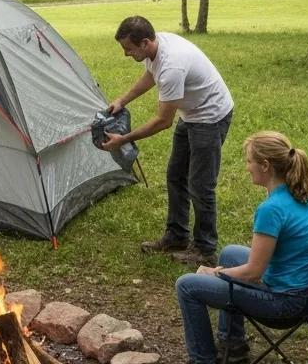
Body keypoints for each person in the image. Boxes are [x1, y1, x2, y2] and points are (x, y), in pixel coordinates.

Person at [162, 131, 308, 364]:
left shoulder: (272, 210)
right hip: (307, 290)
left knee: (187, 285)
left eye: (249, 161)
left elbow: (253, 274)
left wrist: (214, 273)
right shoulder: (298, 193)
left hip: (286, 303)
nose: (247, 167)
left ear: (265, 166)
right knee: (229, 253)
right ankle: (234, 344)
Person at [100, 16, 234, 266]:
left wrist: (124, 140)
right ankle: (177, 236)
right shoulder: (156, 48)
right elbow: (151, 76)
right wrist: (123, 100)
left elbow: (163, 121)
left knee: (200, 185)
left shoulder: (172, 66)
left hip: (210, 116)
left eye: (128, 49)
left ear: (145, 42)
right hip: (192, 114)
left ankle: (205, 250)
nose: (126, 55)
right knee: (175, 174)